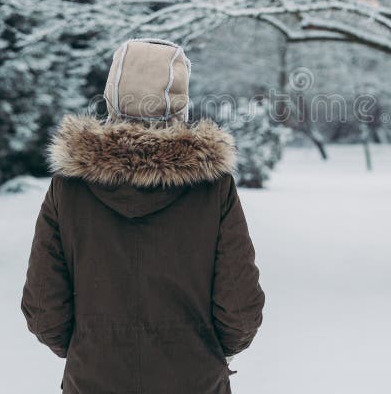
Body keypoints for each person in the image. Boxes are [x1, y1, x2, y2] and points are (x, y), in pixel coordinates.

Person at [21, 38, 265, 393]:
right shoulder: (212, 187)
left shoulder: (70, 187)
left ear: (112, 96)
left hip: (94, 379)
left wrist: (89, 349)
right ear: (179, 101)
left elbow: (43, 306)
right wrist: (205, 352)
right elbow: (240, 308)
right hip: (193, 379)